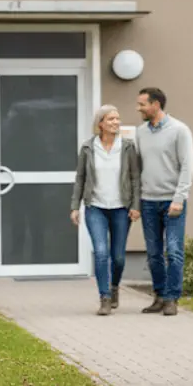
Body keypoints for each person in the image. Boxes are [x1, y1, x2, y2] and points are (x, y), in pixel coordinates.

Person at [71, 105, 141, 315]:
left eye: (117, 119)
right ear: (100, 123)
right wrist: (75, 206)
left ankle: (114, 287)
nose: (115, 123)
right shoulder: (88, 147)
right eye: (111, 119)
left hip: (121, 208)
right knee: (101, 252)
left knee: (118, 257)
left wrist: (136, 205)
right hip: (96, 207)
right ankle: (104, 297)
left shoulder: (128, 147)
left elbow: (135, 178)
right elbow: (80, 178)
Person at [136, 87, 193, 316]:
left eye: (142, 104)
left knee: (173, 250)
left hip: (173, 201)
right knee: (153, 253)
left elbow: (188, 167)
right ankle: (159, 295)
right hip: (148, 200)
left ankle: (172, 298)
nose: (138, 108)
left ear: (156, 105)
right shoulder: (141, 132)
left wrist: (179, 198)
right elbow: (138, 166)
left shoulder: (179, 130)